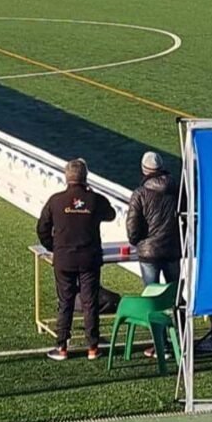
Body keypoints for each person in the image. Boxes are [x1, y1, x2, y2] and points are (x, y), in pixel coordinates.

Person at [36, 158, 116, 362]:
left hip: (64, 259)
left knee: (65, 302)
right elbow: (111, 214)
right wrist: (91, 194)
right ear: (85, 177)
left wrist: (53, 246)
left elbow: (42, 228)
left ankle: (62, 346)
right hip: (89, 258)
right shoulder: (95, 200)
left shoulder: (56, 200)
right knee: (90, 302)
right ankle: (92, 347)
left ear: (66, 177)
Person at [126, 151, 181, 358]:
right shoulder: (176, 189)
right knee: (175, 297)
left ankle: (161, 345)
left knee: (154, 299)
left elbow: (132, 227)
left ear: (144, 170)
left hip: (149, 252)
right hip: (173, 250)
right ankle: (182, 340)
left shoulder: (140, 193)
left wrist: (138, 241)